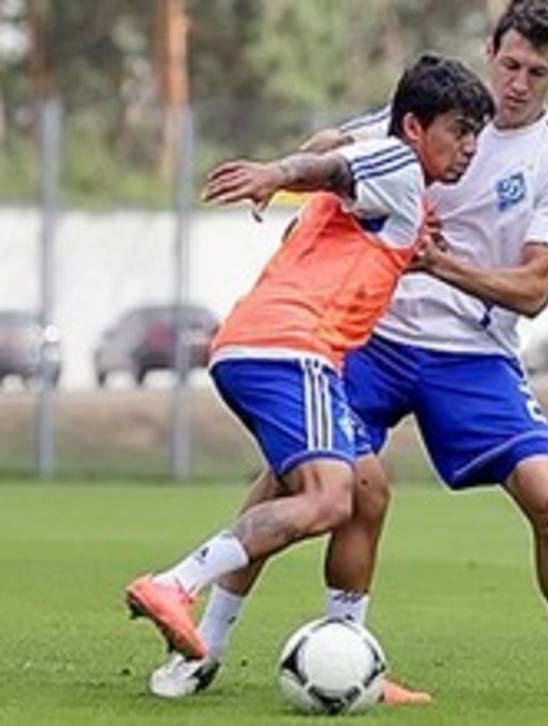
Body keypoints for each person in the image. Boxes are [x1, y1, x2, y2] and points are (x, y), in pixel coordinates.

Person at [149, 0, 548, 703]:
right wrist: (301, 197)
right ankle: (208, 647)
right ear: (491, 51)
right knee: (314, 482)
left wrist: (437, 263)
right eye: (510, 64)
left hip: (471, 354)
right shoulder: (433, 115)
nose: (517, 84)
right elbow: (336, 144)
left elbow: (534, 290)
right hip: (374, 338)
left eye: (536, 73)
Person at [124, 54, 494, 674]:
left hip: (260, 346)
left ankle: (324, 657)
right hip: (292, 349)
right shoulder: (399, 164)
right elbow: (330, 164)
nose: (470, 148)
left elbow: (330, 156)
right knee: (328, 501)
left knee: (367, 490)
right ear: (413, 127)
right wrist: (279, 172)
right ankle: (175, 583)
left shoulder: (384, 179)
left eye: (476, 134)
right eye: (459, 130)